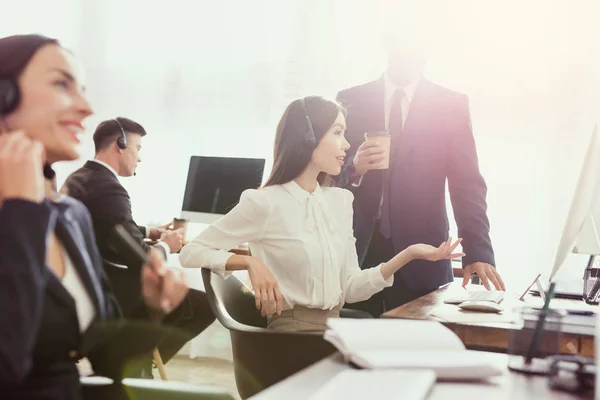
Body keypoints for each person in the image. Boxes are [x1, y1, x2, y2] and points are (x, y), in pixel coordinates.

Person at [0, 34, 188, 399]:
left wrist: (150, 311)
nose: (86, 107)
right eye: (61, 84)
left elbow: (104, 362)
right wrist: (21, 213)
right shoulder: (25, 216)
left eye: (83, 89)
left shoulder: (70, 215)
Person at [179, 96, 463, 332]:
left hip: (333, 332)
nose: (347, 145)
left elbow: (351, 289)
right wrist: (250, 263)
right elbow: (191, 251)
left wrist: (409, 253)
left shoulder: (340, 201)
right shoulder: (264, 202)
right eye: (338, 132)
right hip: (290, 338)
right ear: (308, 137)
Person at [334, 17, 506, 316]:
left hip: (424, 254)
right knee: (353, 343)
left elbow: (467, 184)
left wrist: (477, 251)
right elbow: (324, 175)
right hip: (358, 250)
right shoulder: (351, 100)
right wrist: (354, 167)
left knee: (416, 347)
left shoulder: (450, 104)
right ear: (387, 45)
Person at [62, 117, 215, 369]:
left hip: (88, 281)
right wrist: (167, 246)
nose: (139, 158)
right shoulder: (110, 189)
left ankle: (139, 360)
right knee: (202, 305)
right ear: (119, 144)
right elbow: (143, 259)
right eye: (138, 149)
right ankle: (139, 365)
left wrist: (149, 231)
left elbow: (106, 227)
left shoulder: (79, 178)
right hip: (114, 291)